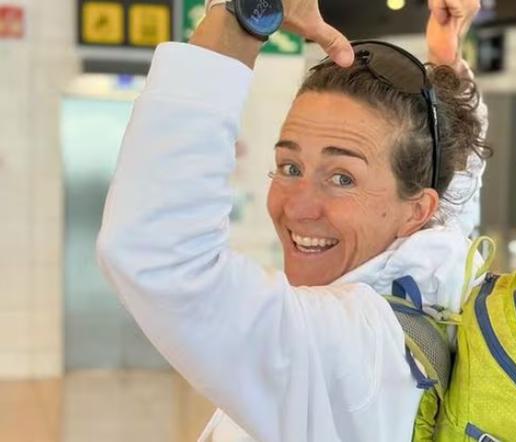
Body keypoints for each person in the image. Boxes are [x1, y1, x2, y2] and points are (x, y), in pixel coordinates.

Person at [95, 0, 490, 440]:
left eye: (342, 178)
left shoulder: (348, 351)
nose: (299, 207)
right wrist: (447, 67)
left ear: (417, 211)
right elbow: (457, 193)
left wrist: (241, 19)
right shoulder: (438, 280)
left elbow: (156, 253)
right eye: (290, 167)